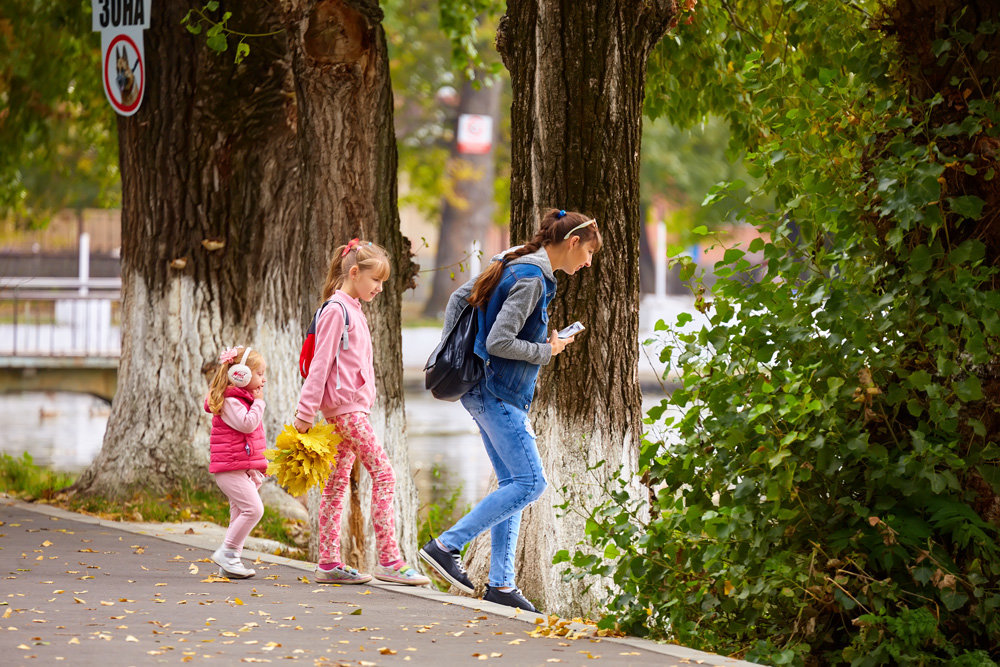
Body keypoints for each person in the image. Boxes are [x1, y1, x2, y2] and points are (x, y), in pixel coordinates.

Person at [419, 209, 603, 612]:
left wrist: (460, 350)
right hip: (498, 393)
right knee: (531, 483)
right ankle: (446, 545)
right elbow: (501, 341)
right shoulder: (532, 279)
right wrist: (547, 350)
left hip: (487, 389)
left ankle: (501, 584)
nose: (588, 263)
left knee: (512, 486)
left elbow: (456, 299)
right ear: (572, 243)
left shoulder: (514, 259)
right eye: (588, 253)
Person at [293, 238, 430, 587]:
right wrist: (304, 414)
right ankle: (390, 560)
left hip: (351, 410)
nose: (380, 288)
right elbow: (320, 366)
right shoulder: (336, 310)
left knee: (336, 484)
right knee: (384, 475)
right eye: (376, 280)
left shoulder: (351, 308)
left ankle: (328, 562)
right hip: (346, 412)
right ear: (354, 273)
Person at [205, 345, 269, 579]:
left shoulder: (242, 399)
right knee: (254, 509)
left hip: (240, 468)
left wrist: (257, 467)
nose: (264, 379)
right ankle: (227, 553)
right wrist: (259, 403)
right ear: (240, 374)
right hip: (229, 470)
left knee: (239, 513)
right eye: (260, 373)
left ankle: (230, 563)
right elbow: (247, 425)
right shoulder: (231, 401)